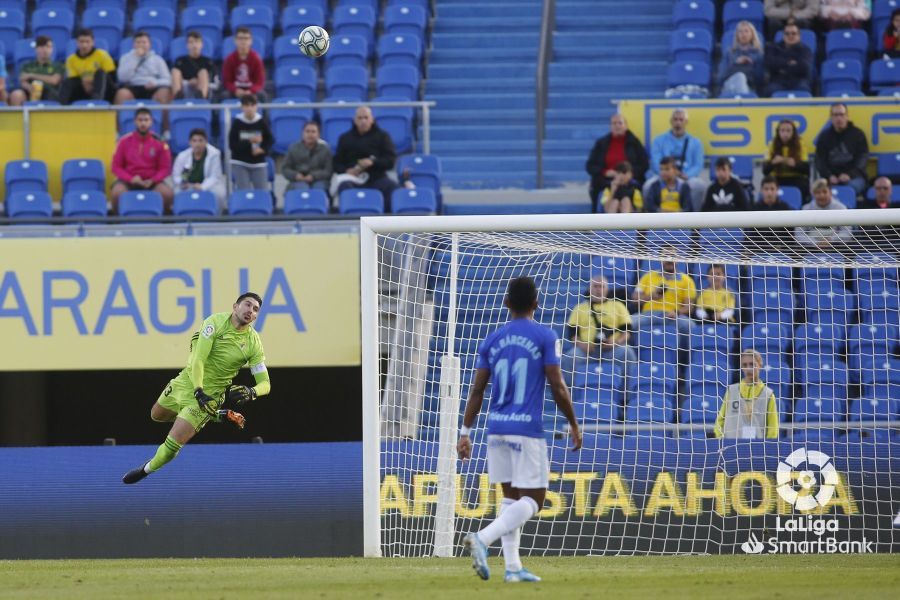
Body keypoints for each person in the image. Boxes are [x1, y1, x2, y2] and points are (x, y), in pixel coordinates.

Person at [457, 276, 581, 583]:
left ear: (506, 303)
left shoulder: (491, 340)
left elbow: (477, 390)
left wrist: (465, 432)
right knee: (535, 500)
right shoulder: (545, 335)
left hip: (496, 428)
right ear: (537, 304)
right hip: (526, 429)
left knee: (510, 498)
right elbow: (557, 383)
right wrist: (574, 423)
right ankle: (483, 539)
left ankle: (512, 568)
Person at [122, 293, 270, 484]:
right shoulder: (215, 322)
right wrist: (197, 389)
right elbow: (199, 358)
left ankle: (145, 470)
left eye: (255, 309)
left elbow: (266, 383)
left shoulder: (253, 343)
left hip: (209, 396)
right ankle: (217, 415)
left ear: (257, 316)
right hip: (187, 382)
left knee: (173, 445)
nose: (250, 310)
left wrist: (252, 392)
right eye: (247, 305)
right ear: (235, 307)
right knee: (156, 415)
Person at [563, 274, 636, 387]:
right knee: (569, 357)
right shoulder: (580, 308)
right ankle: (572, 395)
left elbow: (627, 332)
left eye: (602, 287)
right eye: (595, 286)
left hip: (612, 350)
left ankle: (625, 397)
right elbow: (572, 334)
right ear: (589, 289)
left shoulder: (618, 306)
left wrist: (615, 343)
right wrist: (583, 345)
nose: (598, 290)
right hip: (587, 351)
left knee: (628, 353)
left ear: (607, 289)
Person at [332, 106, 399, 208]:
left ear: (372, 119)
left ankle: (386, 221)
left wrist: (373, 162)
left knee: (392, 187)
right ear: (355, 120)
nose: (363, 121)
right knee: (344, 186)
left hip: (377, 178)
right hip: (353, 179)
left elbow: (390, 160)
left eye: (366, 117)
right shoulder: (345, 138)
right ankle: (350, 219)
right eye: (360, 118)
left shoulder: (383, 136)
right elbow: (336, 163)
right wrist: (347, 171)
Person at [110, 108, 174, 214]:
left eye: (146, 120)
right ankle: (119, 222)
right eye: (140, 120)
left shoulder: (160, 143)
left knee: (166, 194)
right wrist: (131, 179)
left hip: (152, 181)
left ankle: (161, 221)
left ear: (151, 122)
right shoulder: (124, 142)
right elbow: (116, 167)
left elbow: (165, 168)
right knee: (117, 193)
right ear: (135, 121)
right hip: (129, 181)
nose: (143, 123)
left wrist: (153, 179)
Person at [644, 108, 707, 210]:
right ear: (671, 121)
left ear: (686, 122)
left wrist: (685, 175)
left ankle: (694, 221)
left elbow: (698, 164)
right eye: (675, 119)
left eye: (681, 120)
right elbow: (656, 161)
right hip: (663, 175)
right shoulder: (658, 140)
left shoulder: (695, 142)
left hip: (686, 176)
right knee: (648, 185)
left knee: (699, 186)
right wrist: (667, 172)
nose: (678, 123)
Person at [713, 349, 779, 439]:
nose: (748, 368)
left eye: (752, 364)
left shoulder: (768, 395)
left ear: (760, 365)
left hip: (757, 450)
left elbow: (773, 429)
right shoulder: (731, 391)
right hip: (731, 448)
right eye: (745, 365)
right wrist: (721, 441)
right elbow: (719, 421)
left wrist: (767, 448)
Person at [630, 251, 697, 340]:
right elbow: (634, 298)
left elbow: (689, 306)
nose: (669, 259)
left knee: (689, 325)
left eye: (672, 256)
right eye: (666, 256)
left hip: (673, 316)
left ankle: (683, 354)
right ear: (660, 259)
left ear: (678, 259)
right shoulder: (648, 276)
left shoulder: (687, 280)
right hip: (648, 314)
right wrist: (651, 296)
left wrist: (676, 312)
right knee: (629, 323)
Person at [584, 113, 648, 205]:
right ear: (610, 126)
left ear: (626, 126)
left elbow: (644, 164)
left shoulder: (634, 143)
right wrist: (605, 172)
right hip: (606, 181)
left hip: (630, 182)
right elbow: (590, 166)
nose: (617, 126)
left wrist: (628, 174)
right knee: (612, 201)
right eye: (614, 123)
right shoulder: (601, 143)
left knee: (625, 201)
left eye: (620, 123)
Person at [815, 103, 869, 198]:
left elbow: (862, 158)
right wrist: (829, 176)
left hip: (854, 177)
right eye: (835, 115)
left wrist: (849, 175)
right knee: (820, 191)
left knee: (848, 190)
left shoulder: (858, 134)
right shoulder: (824, 136)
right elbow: (820, 161)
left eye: (842, 114)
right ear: (831, 117)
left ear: (847, 116)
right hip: (830, 178)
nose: (839, 118)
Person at [171, 128, 227, 212]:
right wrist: (182, 183)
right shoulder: (182, 156)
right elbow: (176, 175)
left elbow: (215, 176)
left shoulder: (215, 154)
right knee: (177, 192)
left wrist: (202, 186)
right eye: (194, 141)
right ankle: (182, 216)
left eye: (201, 141)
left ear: (206, 141)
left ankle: (216, 216)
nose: (197, 144)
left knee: (220, 193)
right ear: (190, 142)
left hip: (208, 184)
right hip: (188, 185)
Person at [229, 94, 274, 190]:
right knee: (243, 192)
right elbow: (232, 145)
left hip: (258, 163)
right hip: (240, 162)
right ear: (242, 107)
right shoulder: (237, 123)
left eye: (252, 105)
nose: (249, 108)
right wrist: (249, 141)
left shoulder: (262, 122)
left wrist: (262, 150)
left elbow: (270, 140)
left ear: (256, 107)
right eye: (246, 105)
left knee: (262, 192)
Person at [113, 31, 172, 106]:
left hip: (153, 87)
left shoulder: (158, 59)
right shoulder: (125, 58)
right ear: (133, 45)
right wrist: (135, 58)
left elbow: (168, 80)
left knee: (164, 92)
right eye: (138, 42)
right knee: (122, 94)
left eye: (144, 42)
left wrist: (156, 83)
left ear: (149, 44)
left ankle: (165, 118)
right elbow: (122, 78)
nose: (141, 45)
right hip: (132, 86)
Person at [59, 28, 116, 105]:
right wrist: (84, 82)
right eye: (81, 42)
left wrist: (90, 81)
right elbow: (73, 79)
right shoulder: (71, 59)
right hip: (83, 88)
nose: (84, 45)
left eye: (87, 42)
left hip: (104, 89)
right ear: (77, 43)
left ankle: (97, 103)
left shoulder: (102, 55)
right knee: (67, 82)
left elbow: (111, 76)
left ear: (93, 42)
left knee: (100, 73)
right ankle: (62, 107)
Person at [794, 178, 854, 248]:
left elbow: (847, 233)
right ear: (813, 194)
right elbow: (798, 234)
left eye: (824, 192)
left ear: (830, 193)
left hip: (835, 246)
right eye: (818, 193)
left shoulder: (841, 208)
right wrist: (815, 243)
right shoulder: (805, 209)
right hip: (811, 247)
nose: (821, 195)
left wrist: (830, 240)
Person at [763, 118, 810, 200]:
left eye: (788, 131)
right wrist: (774, 162)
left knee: (804, 184)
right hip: (777, 178)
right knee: (767, 184)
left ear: (793, 132)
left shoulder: (800, 144)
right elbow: (765, 170)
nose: (785, 134)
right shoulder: (772, 145)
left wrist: (794, 164)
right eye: (782, 131)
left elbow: (806, 169)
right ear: (778, 132)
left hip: (796, 178)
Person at [9, 36, 64, 106]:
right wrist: (28, 87)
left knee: (53, 95)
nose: (45, 50)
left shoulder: (57, 65)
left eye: (48, 47)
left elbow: (54, 80)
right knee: (16, 94)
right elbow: (22, 79)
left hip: (49, 92)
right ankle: (17, 117)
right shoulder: (27, 65)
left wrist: (31, 75)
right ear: (36, 49)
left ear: (52, 49)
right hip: (30, 91)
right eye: (42, 47)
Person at [764, 20, 814, 96]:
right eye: (787, 33)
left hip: (798, 81)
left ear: (799, 36)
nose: (790, 36)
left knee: (803, 91)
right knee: (770, 91)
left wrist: (781, 67)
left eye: (793, 33)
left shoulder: (805, 50)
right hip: (778, 81)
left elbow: (805, 67)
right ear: (783, 35)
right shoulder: (774, 48)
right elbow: (769, 63)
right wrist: (789, 63)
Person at [282, 121, 333, 193]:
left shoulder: (325, 149)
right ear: (302, 133)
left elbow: (328, 171)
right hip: (297, 181)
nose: (310, 134)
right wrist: (295, 175)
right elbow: (285, 168)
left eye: (313, 132)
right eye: (307, 131)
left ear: (318, 134)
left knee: (318, 191)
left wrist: (313, 176)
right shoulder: (293, 148)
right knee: (301, 189)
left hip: (319, 180)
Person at [717, 21, 765, 97]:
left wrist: (751, 64)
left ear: (752, 34)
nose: (743, 34)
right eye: (740, 32)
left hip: (751, 86)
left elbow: (761, 78)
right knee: (740, 77)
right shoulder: (729, 53)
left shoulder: (758, 53)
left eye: (746, 31)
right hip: (730, 85)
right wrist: (736, 64)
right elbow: (721, 77)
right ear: (737, 35)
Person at [222, 27, 266, 101]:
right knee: (224, 95)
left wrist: (250, 91)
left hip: (251, 91)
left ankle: (264, 113)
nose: (243, 41)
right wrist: (235, 90)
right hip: (235, 91)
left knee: (262, 95)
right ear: (235, 40)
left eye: (246, 38)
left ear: (251, 41)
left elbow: (259, 82)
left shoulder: (256, 59)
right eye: (240, 38)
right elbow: (227, 81)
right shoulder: (229, 59)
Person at [172, 31, 216, 100]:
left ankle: (201, 100)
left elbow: (214, 80)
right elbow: (175, 78)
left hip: (204, 89)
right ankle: (178, 99)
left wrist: (199, 81)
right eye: (191, 42)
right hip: (184, 87)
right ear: (187, 45)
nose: (194, 45)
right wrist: (187, 82)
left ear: (202, 44)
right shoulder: (180, 61)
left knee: (203, 72)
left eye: (197, 42)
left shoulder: (208, 61)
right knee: (175, 71)